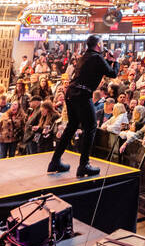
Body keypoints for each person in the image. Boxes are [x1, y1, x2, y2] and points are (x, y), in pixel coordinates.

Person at [47, 35, 118, 176]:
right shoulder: (97, 58)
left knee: (71, 126)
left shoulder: (85, 56)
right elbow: (112, 73)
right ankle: (84, 165)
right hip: (82, 94)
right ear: (98, 44)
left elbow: (99, 69)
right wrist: (115, 60)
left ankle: (55, 161)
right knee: (90, 127)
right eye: (102, 43)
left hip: (71, 93)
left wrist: (108, 60)